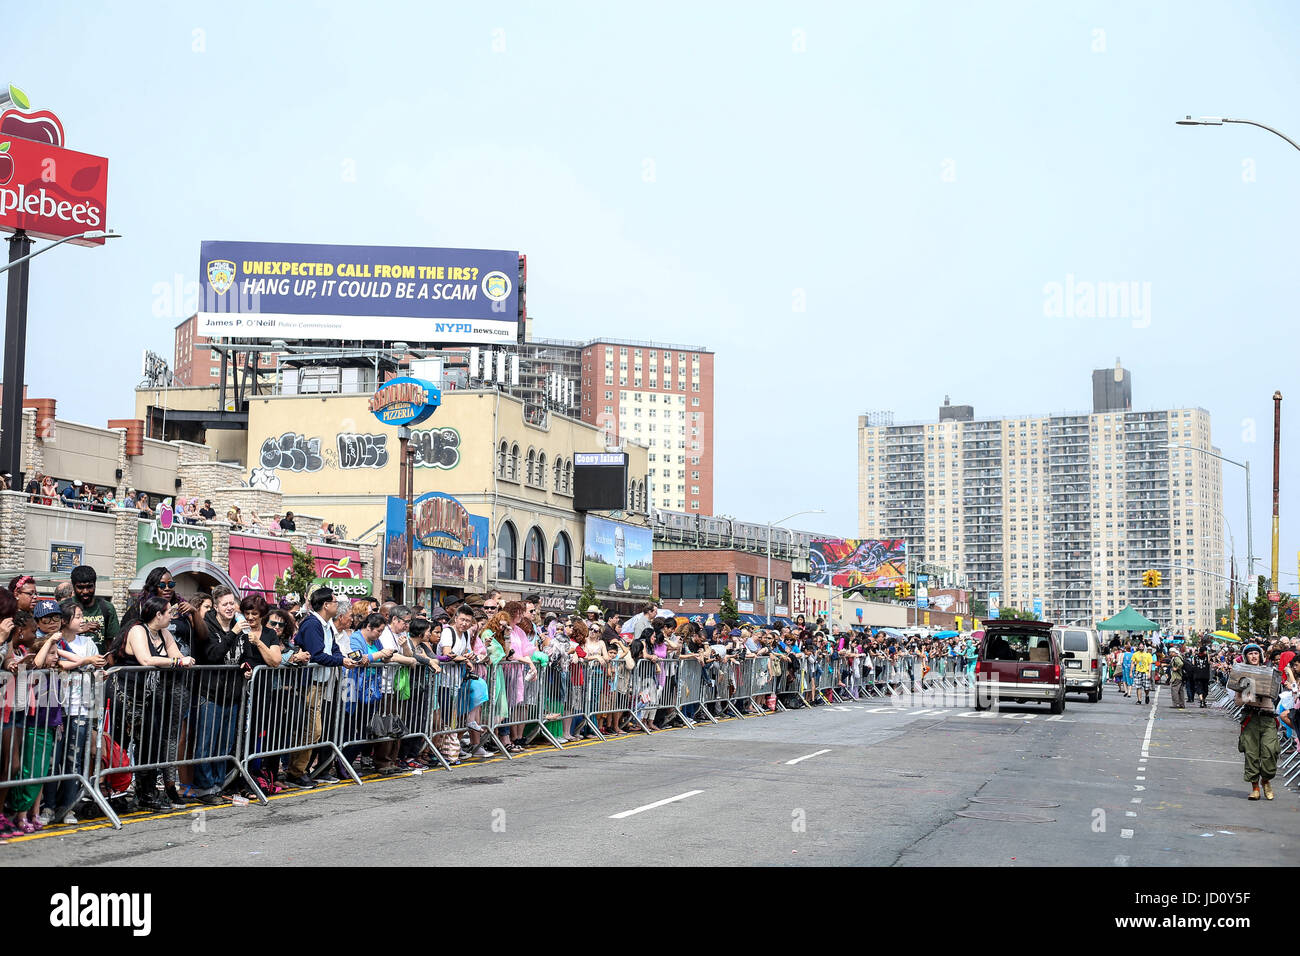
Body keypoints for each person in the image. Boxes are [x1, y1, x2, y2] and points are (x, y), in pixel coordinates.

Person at [287, 587, 361, 788]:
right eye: (335, 602)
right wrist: (341, 662)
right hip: (309, 683)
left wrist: (346, 659)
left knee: (314, 730)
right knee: (312, 730)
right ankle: (296, 771)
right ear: (326, 604)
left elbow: (334, 650)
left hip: (322, 683)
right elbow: (317, 654)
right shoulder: (312, 624)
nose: (337, 605)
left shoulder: (326, 625)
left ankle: (299, 770)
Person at [1236, 643, 1281, 801]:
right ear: (1246, 657)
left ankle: (1266, 780)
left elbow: (1276, 693)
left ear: (1260, 656)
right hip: (1251, 718)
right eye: (1250, 654)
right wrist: (1247, 692)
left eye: (1256, 653)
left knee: (1270, 752)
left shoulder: (1270, 672)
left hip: (1268, 718)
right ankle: (1255, 788)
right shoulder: (1242, 674)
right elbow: (1238, 701)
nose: (1254, 656)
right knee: (1251, 753)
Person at [69, 565, 119, 654]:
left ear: (95, 585)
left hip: (100, 664)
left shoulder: (107, 608)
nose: (85, 591)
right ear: (73, 586)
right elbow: (55, 637)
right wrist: (80, 630)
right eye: (80, 587)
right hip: (71, 663)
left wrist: (111, 665)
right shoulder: (64, 607)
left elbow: (110, 643)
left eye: (89, 587)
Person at [1168, 645, 1186, 710]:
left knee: (1174, 690)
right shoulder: (1179, 656)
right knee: (1181, 691)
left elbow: (1181, 664)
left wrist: (1176, 668)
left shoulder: (1176, 658)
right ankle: (1182, 704)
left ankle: (1175, 704)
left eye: (1170, 652)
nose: (1170, 654)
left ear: (1173, 652)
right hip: (1180, 676)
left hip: (1176, 676)